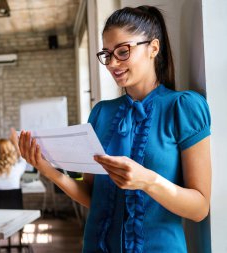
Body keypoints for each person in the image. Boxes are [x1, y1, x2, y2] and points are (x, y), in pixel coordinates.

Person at [19, 6, 211, 253]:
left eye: (123, 51)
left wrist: (148, 181)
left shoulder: (183, 107)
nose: (112, 64)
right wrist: (48, 170)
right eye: (107, 55)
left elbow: (199, 208)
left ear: (153, 47)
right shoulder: (101, 113)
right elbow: (93, 195)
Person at [0, 128, 27, 253]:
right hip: (16, 219)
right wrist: (15, 142)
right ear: (11, 152)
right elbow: (22, 157)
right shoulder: (18, 169)